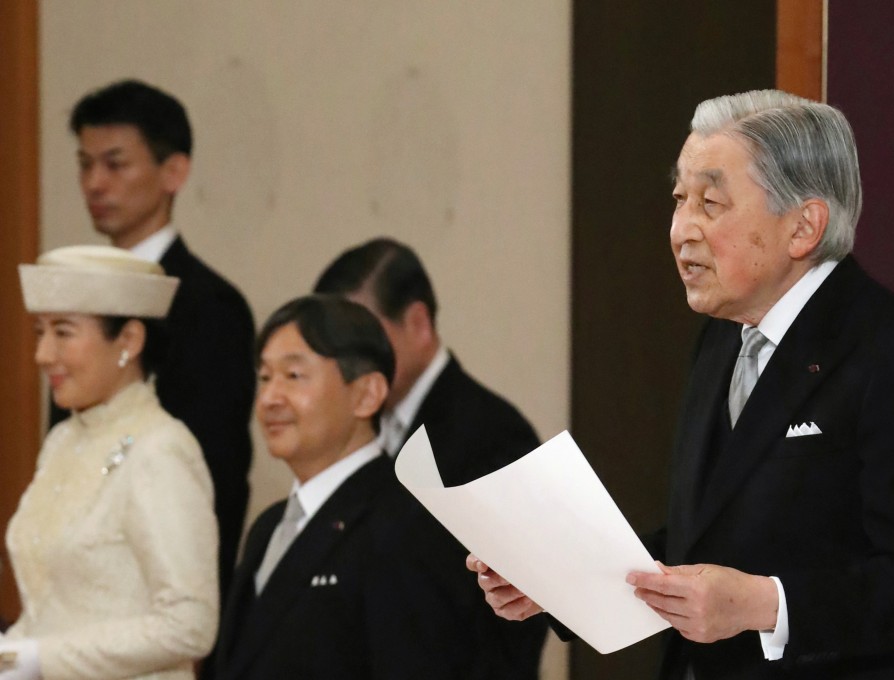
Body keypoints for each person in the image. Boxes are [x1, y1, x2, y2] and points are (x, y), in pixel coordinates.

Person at [469, 90, 894, 679]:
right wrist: (558, 580)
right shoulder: (720, 339)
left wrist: (763, 606)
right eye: (679, 200)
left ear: (803, 226)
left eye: (711, 203)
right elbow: (702, 544)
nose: (681, 230)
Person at [214, 295, 482, 679]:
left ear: (367, 394)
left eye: (294, 376)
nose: (269, 398)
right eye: (265, 377)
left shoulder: (406, 523)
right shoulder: (268, 527)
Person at [314, 238, 549, 676]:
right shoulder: (358, 426)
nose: (348, 363)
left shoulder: (492, 433)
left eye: (362, 338)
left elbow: (519, 614)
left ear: (418, 323)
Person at [66, 79, 256, 603]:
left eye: (115, 164)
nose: (95, 183)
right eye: (85, 164)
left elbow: (217, 474)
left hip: (162, 593)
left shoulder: (211, 306)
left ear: (174, 172)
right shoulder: (78, 302)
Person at [1, 245, 218, 680]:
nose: (43, 353)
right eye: (40, 331)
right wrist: (13, 656)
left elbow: (190, 624)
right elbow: (49, 610)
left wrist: (40, 659)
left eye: (63, 332)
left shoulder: (161, 448)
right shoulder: (62, 441)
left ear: (129, 341)